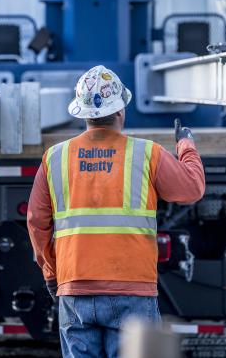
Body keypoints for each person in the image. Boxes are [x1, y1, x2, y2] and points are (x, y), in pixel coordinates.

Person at [27, 65, 205, 358]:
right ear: (121, 110)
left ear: (83, 114)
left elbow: (36, 222)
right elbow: (192, 189)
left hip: (74, 288)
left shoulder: (54, 158)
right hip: (132, 291)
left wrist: (51, 273)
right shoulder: (147, 153)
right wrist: (186, 144)